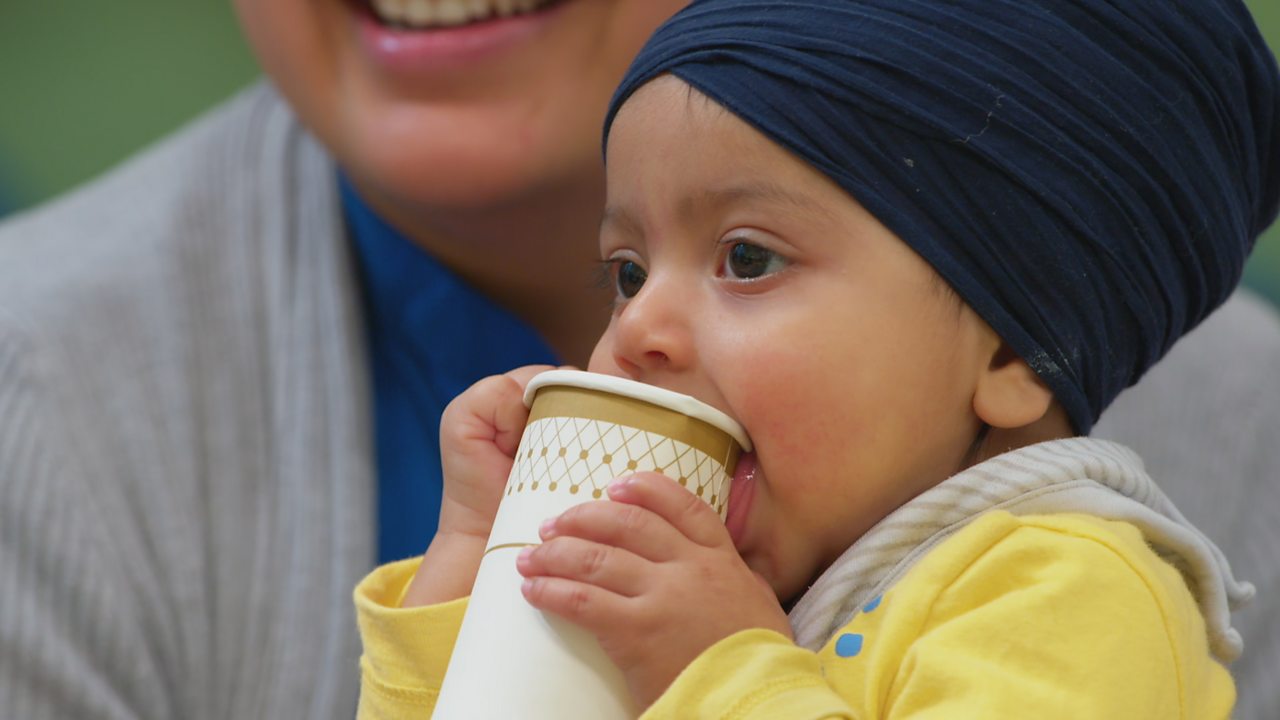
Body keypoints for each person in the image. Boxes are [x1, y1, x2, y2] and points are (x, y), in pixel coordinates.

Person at [0, 0, 1277, 718]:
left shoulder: (1072, 589)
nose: (635, 332)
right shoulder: (777, 580)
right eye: (625, 271)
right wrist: (469, 593)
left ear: (1013, 347)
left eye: (746, 260)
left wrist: (716, 670)